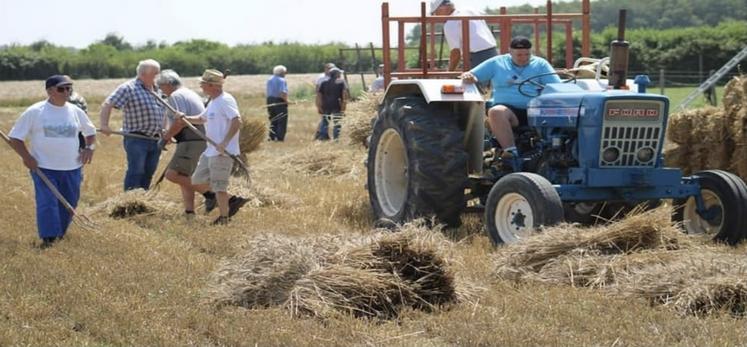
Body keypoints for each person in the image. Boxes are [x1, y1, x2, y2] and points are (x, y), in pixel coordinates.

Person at [7, 75, 96, 248]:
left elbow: (90, 132)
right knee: (48, 202)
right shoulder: (35, 111)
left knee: (70, 202)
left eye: (69, 88)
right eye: (62, 89)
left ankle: (60, 234)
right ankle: (49, 238)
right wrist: (27, 157)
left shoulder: (75, 111)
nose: (67, 92)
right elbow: (15, 138)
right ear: (49, 91)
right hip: (44, 167)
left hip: (72, 167)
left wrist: (89, 148)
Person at [461, 36, 560, 162]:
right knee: (496, 111)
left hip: (536, 111)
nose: (524, 58)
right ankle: (511, 153)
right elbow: (473, 75)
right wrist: (469, 76)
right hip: (510, 111)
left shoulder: (541, 64)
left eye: (527, 54)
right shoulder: (497, 63)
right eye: (519, 55)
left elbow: (556, 86)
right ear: (510, 52)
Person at [179, 69, 248, 225]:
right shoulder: (213, 101)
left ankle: (224, 218)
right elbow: (202, 118)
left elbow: (236, 121)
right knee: (197, 181)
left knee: (219, 187)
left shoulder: (225, 100)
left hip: (222, 153)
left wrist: (225, 143)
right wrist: (185, 118)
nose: (201, 87)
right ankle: (232, 201)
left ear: (212, 85)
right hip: (210, 151)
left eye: (203, 84)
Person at [99, 59, 164, 191]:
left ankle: (143, 200)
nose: (158, 77)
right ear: (142, 74)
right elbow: (108, 104)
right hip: (137, 138)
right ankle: (130, 201)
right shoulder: (129, 88)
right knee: (136, 171)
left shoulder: (158, 90)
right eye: (155, 74)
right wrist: (104, 125)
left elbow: (164, 112)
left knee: (149, 171)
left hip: (155, 139)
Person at [156, 69, 209, 217]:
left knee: (172, 175)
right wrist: (171, 134)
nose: (160, 90)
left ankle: (212, 195)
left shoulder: (176, 96)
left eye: (160, 86)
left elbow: (181, 121)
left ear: (167, 84)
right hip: (196, 140)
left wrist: (166, 137)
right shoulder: (188, 93)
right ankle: (189, 212)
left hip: (191, 140)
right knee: (184, 176)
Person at [431, 0, 498, 71]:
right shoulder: (469, 10)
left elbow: (456, 53)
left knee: (473, 81)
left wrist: (449, 73)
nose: (436, 17)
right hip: (493, 52)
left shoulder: (450, 24)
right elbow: (491, 18)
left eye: (435, 13)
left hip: (476, 57)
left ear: (444, 8)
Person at [315, 68, 347, 141]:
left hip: (326, 105)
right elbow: (344, 95)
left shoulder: (324, 83)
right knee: (337, 122)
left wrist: (319, 106)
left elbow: (319, 95)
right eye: (339, 73)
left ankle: (323, 137)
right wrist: (343, 106)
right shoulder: (341, 83)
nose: (340, 75)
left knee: (325, 122)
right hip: (336, 104)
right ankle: (336, 138)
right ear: (337, 74)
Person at [266, 65, 289, 141]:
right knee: (281, 119)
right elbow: (282, 93)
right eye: (285, 72)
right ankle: (279, 137)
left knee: (273, 119)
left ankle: (271, 136)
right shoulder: (282, 80)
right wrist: (286, 101)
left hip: (269, 100)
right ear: (281, 73)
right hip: (279, 101)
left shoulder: (269, 79)